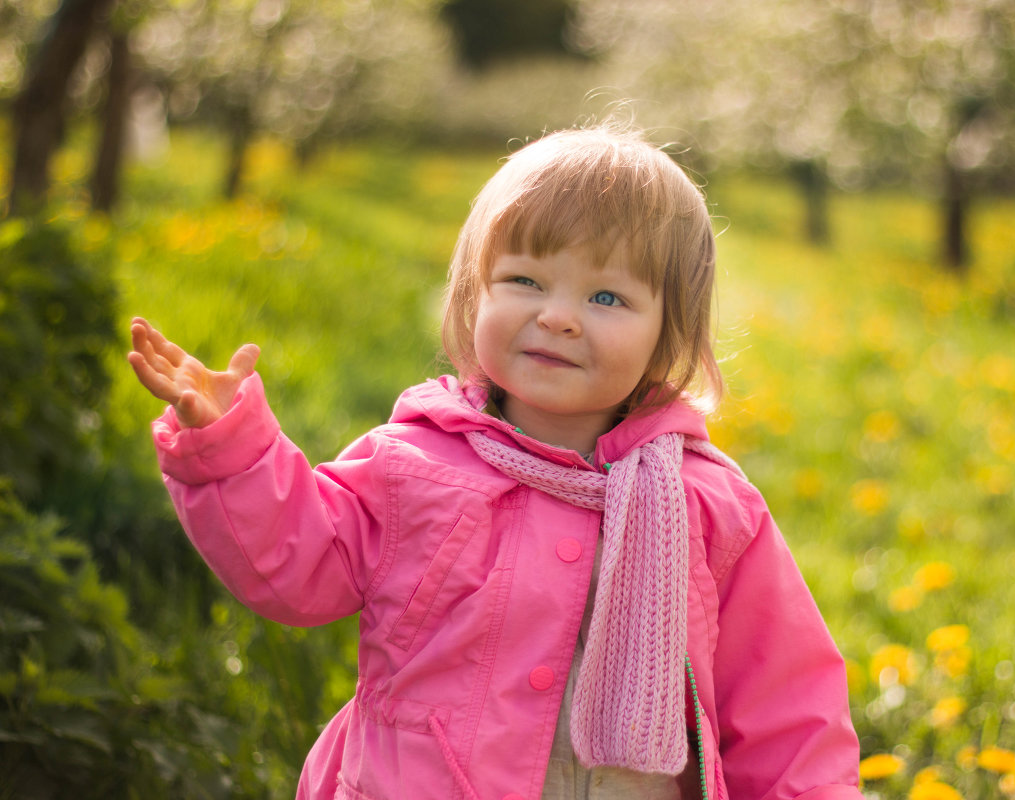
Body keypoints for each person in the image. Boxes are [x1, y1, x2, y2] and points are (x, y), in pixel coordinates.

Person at [128, 126, 865, 800]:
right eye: (525, 281)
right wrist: (233, 449)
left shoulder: (706, 506)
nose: (558, 315)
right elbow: (294, 569)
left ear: (666, 333)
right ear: (475, 292)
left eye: (606, 295)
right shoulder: (412, 465)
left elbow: (785, 710)